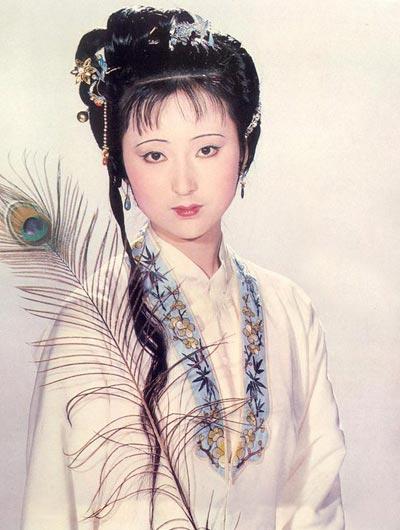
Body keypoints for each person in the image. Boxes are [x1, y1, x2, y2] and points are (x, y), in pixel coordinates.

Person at [20, 6, 346, 530]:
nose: (184, 182)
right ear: (118, 161)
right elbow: (52, 508)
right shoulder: (90, 321)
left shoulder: (289, 309)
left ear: (244, 147)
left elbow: (316, 496)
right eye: (154, 155)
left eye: (208, 149)